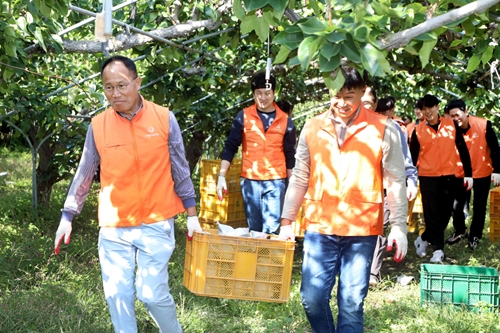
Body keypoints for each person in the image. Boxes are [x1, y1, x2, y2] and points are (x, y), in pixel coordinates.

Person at [53, 55, 201, 333]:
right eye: (108, 87)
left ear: (137, 82)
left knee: (151, 294)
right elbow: (85, 173)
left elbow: (180, 168)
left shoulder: (164, 118)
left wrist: (191, 213)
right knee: (118, 296)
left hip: (156, 221)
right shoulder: (98, 125)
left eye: (121, 85)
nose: (115, 93)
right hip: (114, 226)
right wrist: (68, 215)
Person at [278, 65, 408, 333]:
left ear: (363, 92)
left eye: (349, 96)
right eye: (336, 96)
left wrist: (398, 227)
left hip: (362, 229)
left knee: (350, 303)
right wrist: (287, 220)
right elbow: (300, 176)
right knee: (312, 299)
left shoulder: (384, 128)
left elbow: (396, 180)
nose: (342, 103)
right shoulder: (312, 127)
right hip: (319, 225)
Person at [217, 72, 297, 234]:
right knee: (254, 227)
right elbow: (231, 147)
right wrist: (221, 176)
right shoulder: (244, 116)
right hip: (250, 180)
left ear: (274, 93)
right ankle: (256, 258)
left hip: (275, 181)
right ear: (253, 94)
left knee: (272, 227)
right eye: (258, 93)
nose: (263, 97)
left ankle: (268, 258)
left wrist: (293, 184)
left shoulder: (285, 120)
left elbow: (290, 155)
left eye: (267, 93)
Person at [410, 94, 473, 263]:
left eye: (431, 107)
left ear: (438, 107)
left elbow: (463, 150)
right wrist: (410, 178)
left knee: (445, 214)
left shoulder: (451, 126)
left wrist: (468, 174)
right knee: (431, 214)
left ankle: (423, 238)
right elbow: (412, 156)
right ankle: (438, 249)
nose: (428, 111)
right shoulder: (418, 130)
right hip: (427, 177)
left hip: (449, 177)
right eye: (424, 109)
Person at [369, 95, 418, 286]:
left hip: (384, 187)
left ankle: (372, 272)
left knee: (379, 228)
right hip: (360, 190)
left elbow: (404, 159)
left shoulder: (391, 128)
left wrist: (411, 180)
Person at [446, 99, 500, 249]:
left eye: (457, 114)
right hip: (459, 172)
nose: (455, 118)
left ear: (466, 111)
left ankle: (475, 235)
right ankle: (460, 230)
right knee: (456, 205)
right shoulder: (450, 129)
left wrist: (497, 170)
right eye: (451, 116)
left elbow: (496, 148)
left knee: (479, 206)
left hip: (482, 171)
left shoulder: (483, 125)